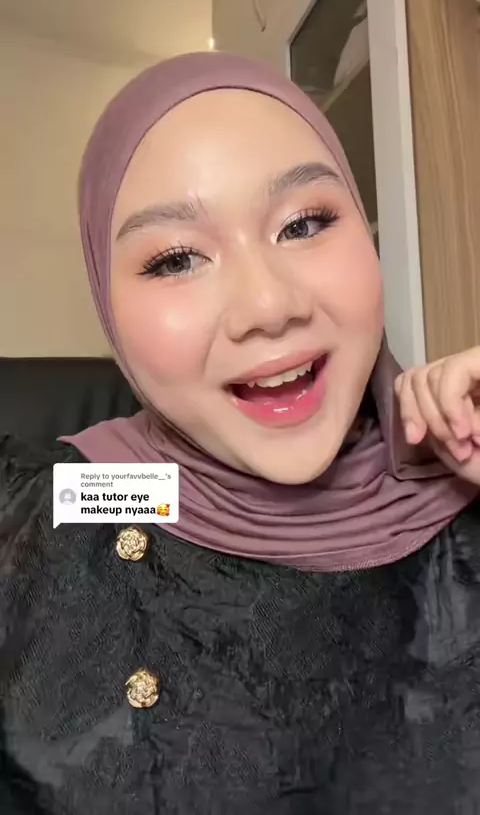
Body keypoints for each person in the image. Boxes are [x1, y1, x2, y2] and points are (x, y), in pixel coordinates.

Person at [0, 51, 479, 815]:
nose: (267, 305)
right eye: (176, 259)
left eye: (305, 223)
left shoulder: (462, 488)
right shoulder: (54, 511)